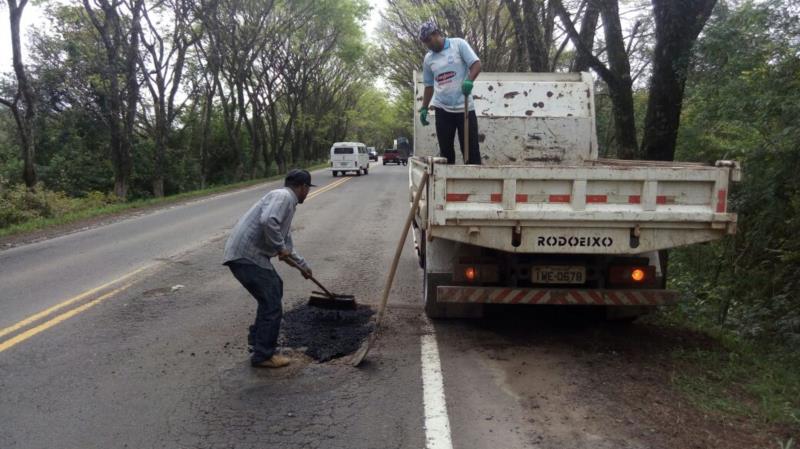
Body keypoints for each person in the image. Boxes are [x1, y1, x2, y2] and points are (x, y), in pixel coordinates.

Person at [222, 169, 314, 368]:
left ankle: (257, 342)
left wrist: (303, 267)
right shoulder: (284, 197)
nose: (307, 193)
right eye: (307, 189)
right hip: (246, 255)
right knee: (271, 300)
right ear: (303, 187)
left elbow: (286, 245)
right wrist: (280, 248)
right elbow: (268, 221)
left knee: (273, 290)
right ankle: (263, 355)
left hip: (247, 255)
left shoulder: (284, 202)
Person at [418, 21, 483, 165]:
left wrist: (469, 80)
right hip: (442, 109)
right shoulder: (428, 59)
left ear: (436, 34)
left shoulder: (458, 44)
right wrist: (424, 107)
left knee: (471, 151)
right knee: (445, 154)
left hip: (465, 107)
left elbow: (476, 64)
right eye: (425, 43)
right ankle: (447, 186)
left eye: (429, 40)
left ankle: (474, 186)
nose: (428, 45)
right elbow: (429, 85)